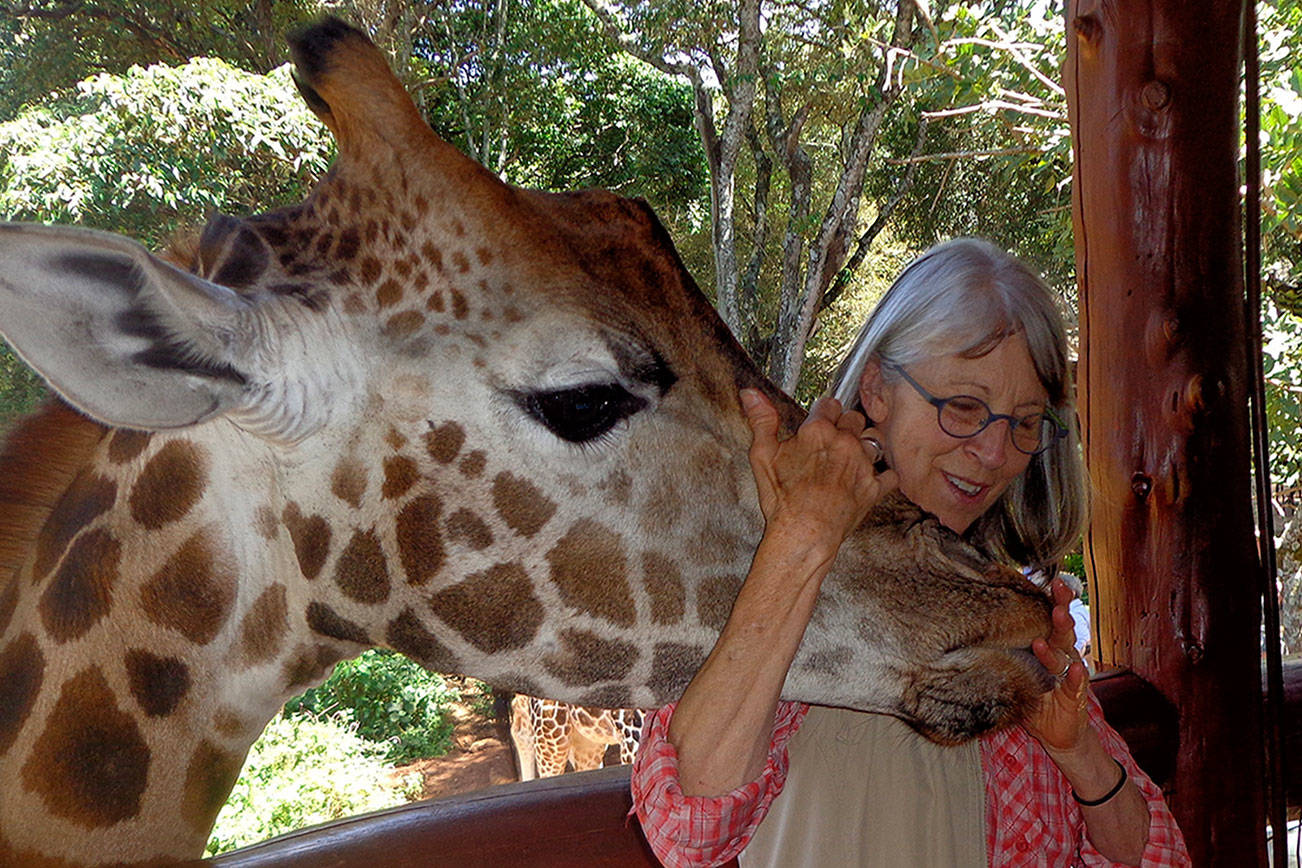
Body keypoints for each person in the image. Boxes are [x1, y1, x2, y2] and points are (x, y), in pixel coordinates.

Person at [630, 238, 1189, 867]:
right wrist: (803, 535)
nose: (995, 453)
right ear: (877, 390)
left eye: (1024, 422)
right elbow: (689, 830)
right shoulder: (773, 571)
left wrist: (1075, 748)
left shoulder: (1003, 610)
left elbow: (1156, 859)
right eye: (964, 408)